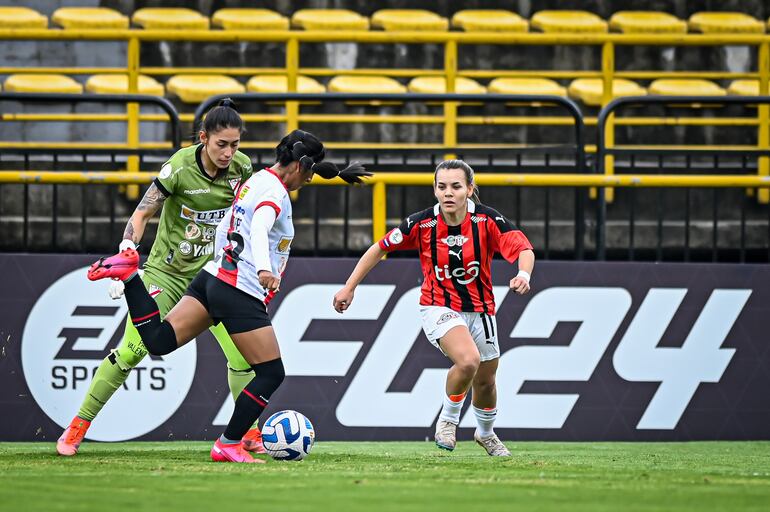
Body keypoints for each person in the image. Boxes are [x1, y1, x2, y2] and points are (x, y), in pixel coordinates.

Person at [86, 129, 370, 463]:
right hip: (240, 289)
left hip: (212, 279)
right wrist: (265, 269)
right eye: (308, 173)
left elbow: (225, 228)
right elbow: (261, 226)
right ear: (297, 165)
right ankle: (229, 442)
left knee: (159, 341)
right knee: (271, 373)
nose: (308, 180)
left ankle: (131, 276)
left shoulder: (255, 179)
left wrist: (222, 263)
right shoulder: (275, 193)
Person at [57, 99, 267, 456]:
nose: (229, 152)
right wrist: (127, 248)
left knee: (243, 357)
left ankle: (249, 435)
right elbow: (142, 213)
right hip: (166, 274)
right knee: (133, 351)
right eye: (221, 144)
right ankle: (77, 426)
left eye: (235, 144)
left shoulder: (243, 170)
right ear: (203, 138)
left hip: (215, 277)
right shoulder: (180, 167)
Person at [333, 159, 534, 457]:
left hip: (482, 310)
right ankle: (448, 420)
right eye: (442, 187)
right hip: (438, 305)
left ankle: (486, 433)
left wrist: (523, 274)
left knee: (486, 379)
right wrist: (349, 286)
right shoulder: (422, 223)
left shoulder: (488, 221)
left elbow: (523, 248)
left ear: (469, 189)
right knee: (468, 361)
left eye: (456, 186)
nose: (448, 193)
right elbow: (380, 248)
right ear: (434, 190)